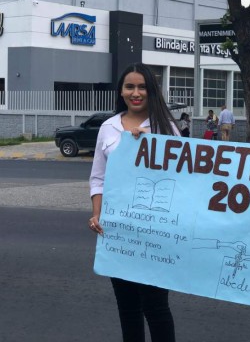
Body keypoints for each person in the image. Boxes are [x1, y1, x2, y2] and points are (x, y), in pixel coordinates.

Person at [88, 63, 178, 342]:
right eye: (130, 86)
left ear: (152, 91)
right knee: (127, 308)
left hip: (154, 231)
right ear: (121, 91)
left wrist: (152, 146)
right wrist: (97, 214)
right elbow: (97, 179)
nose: (136, 93)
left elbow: (181, 180)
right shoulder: (108, 127)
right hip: (118, 231)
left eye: (142, 87)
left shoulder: (167, 128)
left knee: (156, 307)